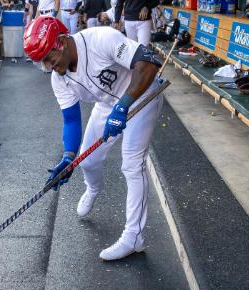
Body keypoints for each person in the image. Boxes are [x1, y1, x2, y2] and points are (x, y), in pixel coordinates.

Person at [23, 16, 164, 261]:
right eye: (42, 62)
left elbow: (150, 63)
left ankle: (134, 237)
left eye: (48, 58)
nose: (48, 66)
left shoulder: (101, 39)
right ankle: (93, 188)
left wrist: (124, 107)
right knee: (85, 161)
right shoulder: (59, 77)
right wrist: (68, 159)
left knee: (132, 165)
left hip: (140, 94)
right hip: (107, 104)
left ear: (61, 41)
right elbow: (71, 120)